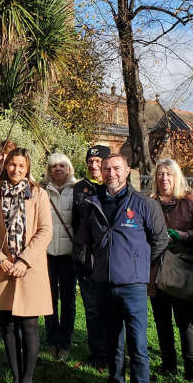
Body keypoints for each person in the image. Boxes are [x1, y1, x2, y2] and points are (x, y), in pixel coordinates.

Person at [75, 153, 168, 383]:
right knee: (112, 343)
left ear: (127, 170)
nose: (111, 173)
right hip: (103, 284)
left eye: (116, 168)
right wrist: (92, 267)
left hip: (133, 288)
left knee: (138, 346)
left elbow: (160, 240)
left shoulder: (143, 204)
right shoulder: (92, 203)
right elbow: (83, 241)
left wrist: (139, 266)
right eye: (106, 169)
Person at [0, 148, 54, 383]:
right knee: (8, 324)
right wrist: (1, 259)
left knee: (29, 324)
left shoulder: (39, 194)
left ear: (28, 168)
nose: (16, 170)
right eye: (12, 165)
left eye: (21, 166)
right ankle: (15, 375)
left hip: (29, 268)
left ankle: (27, 379)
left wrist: (24, 260)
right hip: (3, 268)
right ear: (5, 166)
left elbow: (45, 231)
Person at [149, 159, 193, 380]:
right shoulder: (151, 201)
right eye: (160, 174)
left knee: (184, 321)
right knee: (161, 320)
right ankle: (168, 364)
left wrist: (184, 236)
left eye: (169, 174)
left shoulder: (190, 201)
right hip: (156, 269)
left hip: (181, 269)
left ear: (177, 176)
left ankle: (191, 368)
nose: (164, 179)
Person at [72, 145, 113, 368]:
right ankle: (96, 351)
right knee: (92, 308)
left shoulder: (114, 187)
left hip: (110, 259)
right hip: (86, 259)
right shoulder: (79, 189)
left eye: (99, 162)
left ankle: (113, 351)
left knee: (111, 308)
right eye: (90, 162)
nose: (94, 166)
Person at [43, 152, 77, 360]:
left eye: (62, 165)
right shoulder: (42, 190)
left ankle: (65, 341)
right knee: (49, 299)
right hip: (47, 252)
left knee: (68, 299)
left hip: (68, 253)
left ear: (69, 168)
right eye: (54, 166)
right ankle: (51, 339)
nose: (58, 169)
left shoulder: (77, 190)